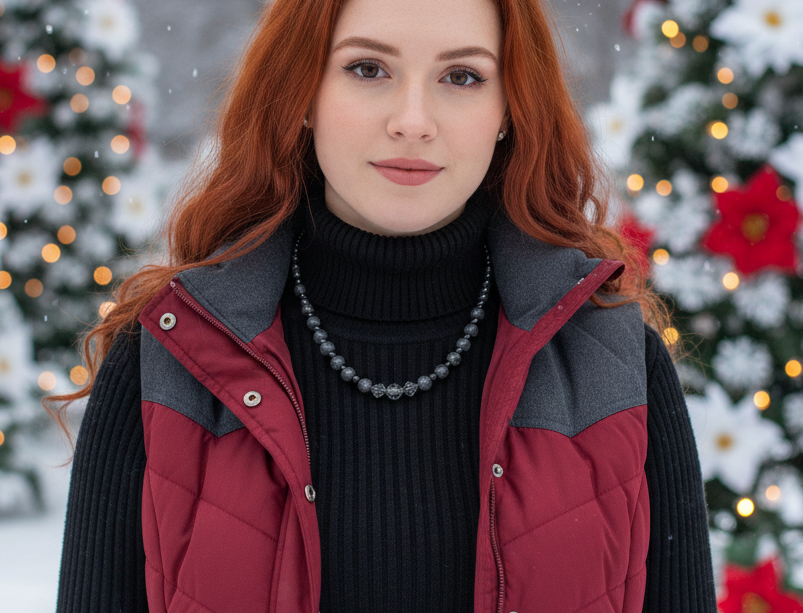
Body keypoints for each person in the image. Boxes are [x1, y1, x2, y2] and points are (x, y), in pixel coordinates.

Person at [49, 0, 717, 610]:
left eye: (461, 77)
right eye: (368, 69)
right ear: (303, 92)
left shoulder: (613, 363)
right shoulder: (170, 358)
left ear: (510, 108)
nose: (412, 122)